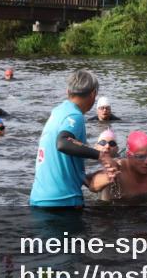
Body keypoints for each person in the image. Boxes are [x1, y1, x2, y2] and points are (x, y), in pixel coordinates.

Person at [29, 69, 117, 208]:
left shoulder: (57, 112)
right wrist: (101, 156)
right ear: (93, 94)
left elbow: (62, 160)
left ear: (67, 91)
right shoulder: (75, 115)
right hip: (63, 202)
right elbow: (62, 143)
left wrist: (89, 179)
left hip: (39, 198)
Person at [87, 130, 147, 200]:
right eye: (140, 157)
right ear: (128, 156)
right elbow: (93, 187)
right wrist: (107, 178)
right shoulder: (117, 169)